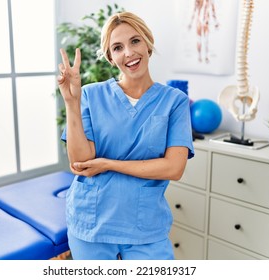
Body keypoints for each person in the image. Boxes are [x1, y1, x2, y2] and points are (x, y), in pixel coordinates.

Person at [58, 11, 194, 260]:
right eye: (118, 47)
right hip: (92, 224)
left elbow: (174, 168)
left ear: (148, 43)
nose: (129, 53)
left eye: (135, 41)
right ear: (111, 57)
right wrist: (71, 102)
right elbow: (80, 162)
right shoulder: (89, 95)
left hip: (146, 228)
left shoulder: (174, 101)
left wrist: (108, 164)